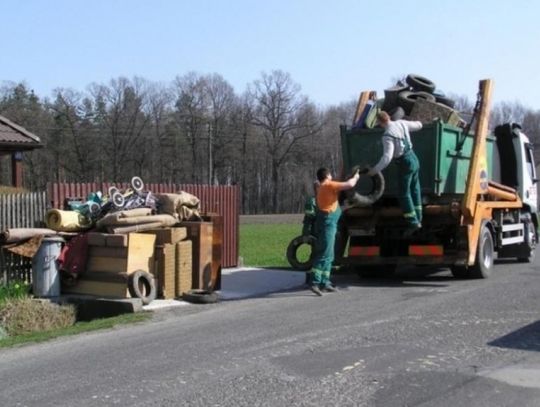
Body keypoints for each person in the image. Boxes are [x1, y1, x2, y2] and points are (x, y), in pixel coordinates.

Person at [368, 111, 423, 235]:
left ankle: (413, 222)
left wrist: (374, 171)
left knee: (404, 193)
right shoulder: (401, 123)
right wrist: (418, 121)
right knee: (415, 189)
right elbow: (419, 125)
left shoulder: (387, 135)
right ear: (389, 117)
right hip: (414, 157)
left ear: (380, 122)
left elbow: (387, 158)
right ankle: (419, 218)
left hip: (405, 162)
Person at [309, 167, 360, 296]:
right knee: (324, 254)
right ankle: (314, 282)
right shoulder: (328, 185)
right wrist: (356, 176)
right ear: (327, 175)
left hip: (328, 223)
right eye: (331, 174)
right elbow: (350, 184)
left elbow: (333, 205)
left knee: (330, 255)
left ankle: (325, 282)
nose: (332, 176)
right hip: (328, 224)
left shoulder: (323, 188)